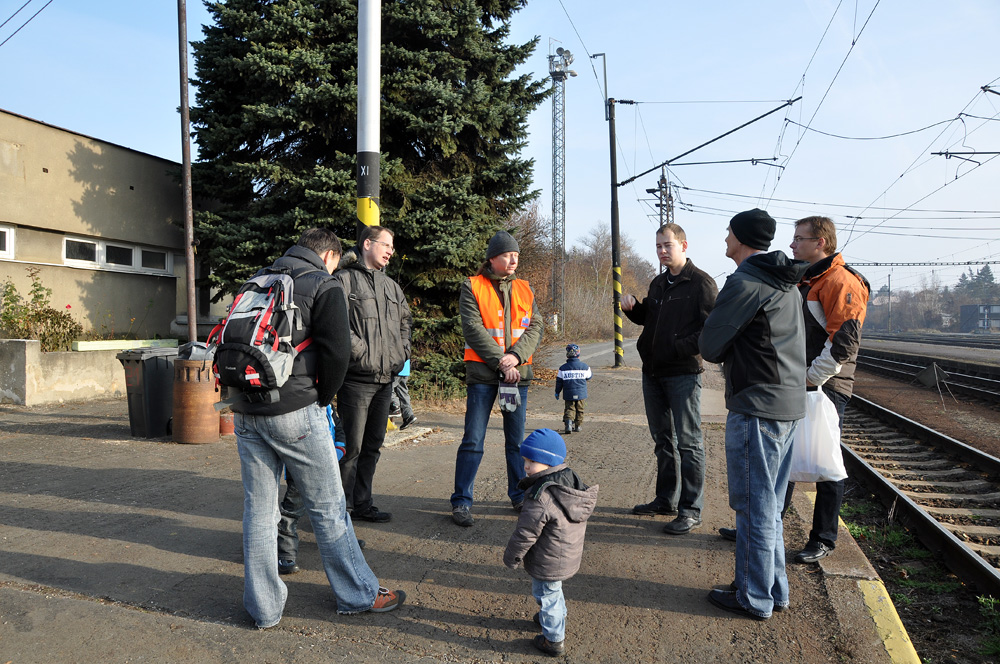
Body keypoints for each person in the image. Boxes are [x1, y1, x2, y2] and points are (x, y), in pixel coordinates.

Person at [230, 228, 403, 628]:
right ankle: (358, 594)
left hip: (245, 409)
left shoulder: (259, 279)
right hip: (295, 409)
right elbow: (338, 352)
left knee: (258, 510)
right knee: (328, 508)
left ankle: (263, 609)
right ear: (328, 256)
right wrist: (322, 397)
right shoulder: (323, 284)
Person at [699, 209, 808, 620]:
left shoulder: (745, 283)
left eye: (729, 232)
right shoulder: (784, 282)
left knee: (753, 507)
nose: (725, 238)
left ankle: (753, 597)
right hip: (787, 405)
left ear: (742, 238)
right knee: (770, 506)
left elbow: (710, 347)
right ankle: (774, 590)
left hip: (757, 407)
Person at [621, 223, 718, 535]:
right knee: (664, 441)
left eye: (668, 245)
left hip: (683, 374)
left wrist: (677, 348)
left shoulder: (701, 283)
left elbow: (708, 330)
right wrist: (634, 309)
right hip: (653, 373)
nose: (663, 251)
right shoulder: (659, 283)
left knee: (689, 442)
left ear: (684, 246)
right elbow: (651, 318)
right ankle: (665, 499)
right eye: (659, 246)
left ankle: (691, 509)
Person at [786, 216, 870, 564]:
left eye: (798, 238)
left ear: (820, 242)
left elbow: (844, 342)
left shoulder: (840, 281)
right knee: (784, 452)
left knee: (829, 461)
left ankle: (823, 538)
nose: (792, 244)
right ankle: (767, 524)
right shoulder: (810, 278)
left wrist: (812, 378)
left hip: (826, 385)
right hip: (802, 380)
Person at [451, 230, 544, 527]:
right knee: (473, 440)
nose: (514, 259)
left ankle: (519, 496)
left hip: (517, 375)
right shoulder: (472, 286)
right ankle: (462, 501)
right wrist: (503, 364)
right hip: (483, 376)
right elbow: (473, 329)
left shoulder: (526, 289)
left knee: (516, 443)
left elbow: (535, 327)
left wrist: (515, 357)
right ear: (492, 258)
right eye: (507, 254)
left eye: (516, 254)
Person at [333, 225, 412, 524]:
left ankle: (362, 504)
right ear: (367, 244)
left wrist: (400, 352)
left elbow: (406, 322)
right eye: (386, 244)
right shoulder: (344, 280)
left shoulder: (391, 287)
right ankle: (339, 511)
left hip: (385, 380)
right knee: (351, 448)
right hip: (356, 380)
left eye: (392, 246)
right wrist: (362, 353)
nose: (391, 250)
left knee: (373, 446)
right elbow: (337, 324)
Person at [503, 428, 599, 658]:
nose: (526, 466)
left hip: (548, 558)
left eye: (532, 461)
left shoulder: (541, 495)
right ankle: (553, 616)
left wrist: (512, 556)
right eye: (525, 460)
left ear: (548, 462)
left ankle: (553, 639)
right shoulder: (571, 482)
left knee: (547, 593)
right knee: (552, 591)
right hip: (565, 553)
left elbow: (526, 532)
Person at [554, 344, 592, 434]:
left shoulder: (563, 368)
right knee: (580, 409)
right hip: (581, 393)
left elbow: (559, 382)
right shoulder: (585, 367)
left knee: (569, 408)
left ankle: (568, 424)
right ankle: (578, 426)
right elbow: (589, 377)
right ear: (578, 354)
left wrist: (557, 392)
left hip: (568, 393)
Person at [389, 358, 418, 430]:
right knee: (403, 393)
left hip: (396, 368)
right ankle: (408, 415)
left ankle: (394, 406)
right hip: (405, 370)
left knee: (388, 388)